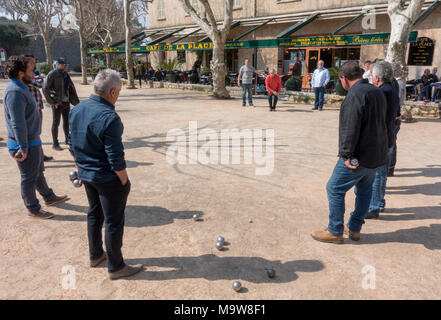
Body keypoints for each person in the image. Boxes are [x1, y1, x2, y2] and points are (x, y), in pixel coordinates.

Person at [68, 69, 143, 280]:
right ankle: (116, 266)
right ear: (111, 92)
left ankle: (96, 255)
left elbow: (71, 144)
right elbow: (115, 157)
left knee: (94, 214)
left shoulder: (77, 110)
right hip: (106, 178)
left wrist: (79, 168)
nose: (118, 95)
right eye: (118, 91)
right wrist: (124, 179)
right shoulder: (110, 117)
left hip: (87, 174)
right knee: (113, 222)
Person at [311, 61, 388, 244]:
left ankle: (335, 230)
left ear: (344, 79)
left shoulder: (354, 95)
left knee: (334, 188)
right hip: (376, 155)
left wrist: (346, 155)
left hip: (358, 156)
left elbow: (349, 128)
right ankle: (354, 228)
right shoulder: (377, 91)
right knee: (364, 190)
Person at [2, 56, 68, 219]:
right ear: (20, 73)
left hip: (32, 141)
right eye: (30, 70)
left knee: (38, 173)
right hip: (24, 145)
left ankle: (49, 197)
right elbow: (18, 123)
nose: (33, 73)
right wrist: (23, 148)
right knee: (29, 178)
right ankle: (33, 208)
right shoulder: (14, 92)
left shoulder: (22, 86)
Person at [365, 61, 400, 219]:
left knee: (378, 174)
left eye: (372, 75)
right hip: (387, 136)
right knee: (381, 173)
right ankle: (379, 202)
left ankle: (374, 206)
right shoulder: (390, 88)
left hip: (382, 138)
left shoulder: (383, 91)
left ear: (377, 77)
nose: (371, 77)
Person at [42, 58, 79, 151]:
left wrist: (76, 102)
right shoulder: (52, 74)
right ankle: (55, 143)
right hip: (57, 103)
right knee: (56, 123)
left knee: (67, 122)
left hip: (66, 102)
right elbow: (45, 88)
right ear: (59, 64)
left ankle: (68, 139)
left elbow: (71, 89)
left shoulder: (66, 75)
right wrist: (52, 102)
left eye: (67, 65)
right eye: (65, 65)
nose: (67, 66)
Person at [24, 55, 53, 162]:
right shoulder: (25, 76)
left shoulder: (31, 74)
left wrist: (36, 77)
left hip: (37, 108)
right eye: (31, 62)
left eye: (34, 61)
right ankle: (34, 156)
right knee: (32, 133)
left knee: (37, 132)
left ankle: (39, 154)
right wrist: (38, 78)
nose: (34, 64)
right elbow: (40, 84)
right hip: (31, 110)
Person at [389, 62, 405, 177]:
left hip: (394, 117)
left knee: (391, 143)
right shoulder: (399, 83)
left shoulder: (397, 84)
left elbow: (396, 102)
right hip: (395, 116)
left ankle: (390, 168)